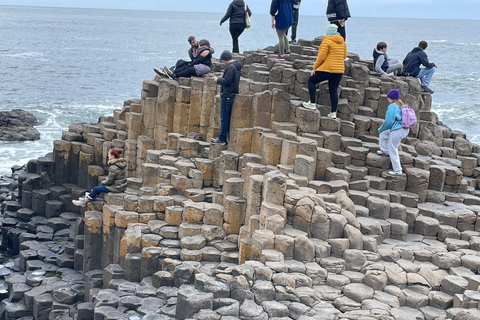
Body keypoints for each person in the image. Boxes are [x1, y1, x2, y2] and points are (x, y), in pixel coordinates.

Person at [302, 24, 347, 119]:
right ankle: (333, 112)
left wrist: (315, 68)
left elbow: (321, 56)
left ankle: (312, 103)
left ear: (328, 32)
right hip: (339, 70)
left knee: (311, 81)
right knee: (333, 90)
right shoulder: (342, 42)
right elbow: (344, 56)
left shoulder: (327, 40)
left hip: (327, 69)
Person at [210, 50, 242, 145]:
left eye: (223, 61)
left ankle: (222, 138)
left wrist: (217, 79)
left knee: (224, 118)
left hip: (227, 95)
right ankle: (225, 137)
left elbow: (227, 81)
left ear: (225, 59)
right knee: (226, 118)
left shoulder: (231, 67)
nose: (223, 63)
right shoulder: (236, 65)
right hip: (231, 94)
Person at [377, 89, 410, 177]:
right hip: (405, 129)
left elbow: (389, 121)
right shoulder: (401, 105)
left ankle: (398, 170)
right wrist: (383, 130)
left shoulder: (392, 106)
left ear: (390, 98)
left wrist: (381, 128)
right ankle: (384, 150)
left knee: (393, 149)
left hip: (397, 130)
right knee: (384, 133)